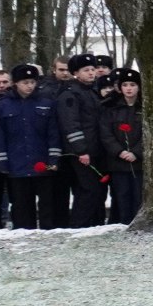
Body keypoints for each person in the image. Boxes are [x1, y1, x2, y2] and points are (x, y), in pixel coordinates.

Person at [0, 63, 60, 230]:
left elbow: (53, 134)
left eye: (32, 82)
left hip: (43, 163)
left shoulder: (46, 103)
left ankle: (47, 234)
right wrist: (1, 163)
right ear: (15, 83)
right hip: (17, 164)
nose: (29, 86)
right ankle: (22, 233)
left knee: (47, 205)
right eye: (25, 82)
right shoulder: (2, 105)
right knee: (21, 205)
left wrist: (53, 161)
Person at [55, 52, 107, 225]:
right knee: (88, 189)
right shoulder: (70, 94)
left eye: (93, 69)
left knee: (96, 189)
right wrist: (81, 150)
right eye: (86, 70)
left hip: (96, 148)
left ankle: (95, 223)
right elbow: (71, 124)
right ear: (76, 73)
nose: (91, 73)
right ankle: (79, 225)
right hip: (81, 152)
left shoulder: (92, 91)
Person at [88, 69, 142, 225]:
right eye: (125, 85)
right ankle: (123, 224)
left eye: (132, 84)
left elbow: (150, 134)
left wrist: (136, 152)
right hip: (118, 162)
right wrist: (120, 151)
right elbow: (105, 134)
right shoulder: (111, 108)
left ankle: (137, 225)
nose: (129, 88)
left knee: (138, 197)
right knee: (121, 196)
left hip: (139, 163)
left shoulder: (145, 107)